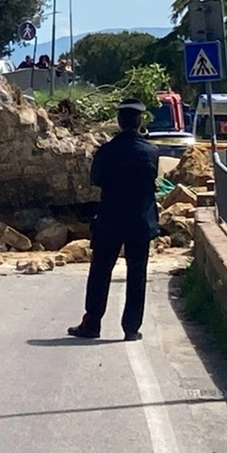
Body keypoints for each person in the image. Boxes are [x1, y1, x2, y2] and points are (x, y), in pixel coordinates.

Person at [68, 98, 161, 342]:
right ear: (140, 122)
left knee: (100, 271)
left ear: (119, 122)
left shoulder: (106, 151)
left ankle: (93, 323)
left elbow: (95, 179)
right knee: (136, 274)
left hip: (110, 218)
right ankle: (131, 327)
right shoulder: (152, 152)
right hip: (140, 221)